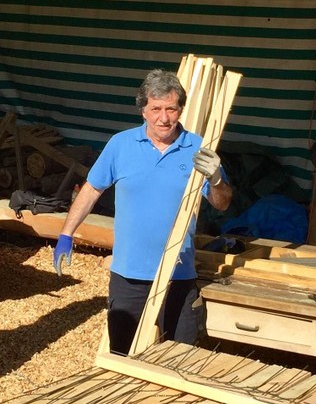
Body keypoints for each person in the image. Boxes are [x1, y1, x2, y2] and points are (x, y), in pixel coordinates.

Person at [54, 68, 232, 355]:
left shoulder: (198, 147)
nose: (164, 118)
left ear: (181, 109)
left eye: (172, 109)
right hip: (129, 275)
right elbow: (91, 189)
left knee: (181, 358)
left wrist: (216, 179)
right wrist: (66, 233)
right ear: (143, 111)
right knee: (123, 357)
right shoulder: (121, 145)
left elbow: (221, 203)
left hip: (178, 274)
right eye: (156, 109)